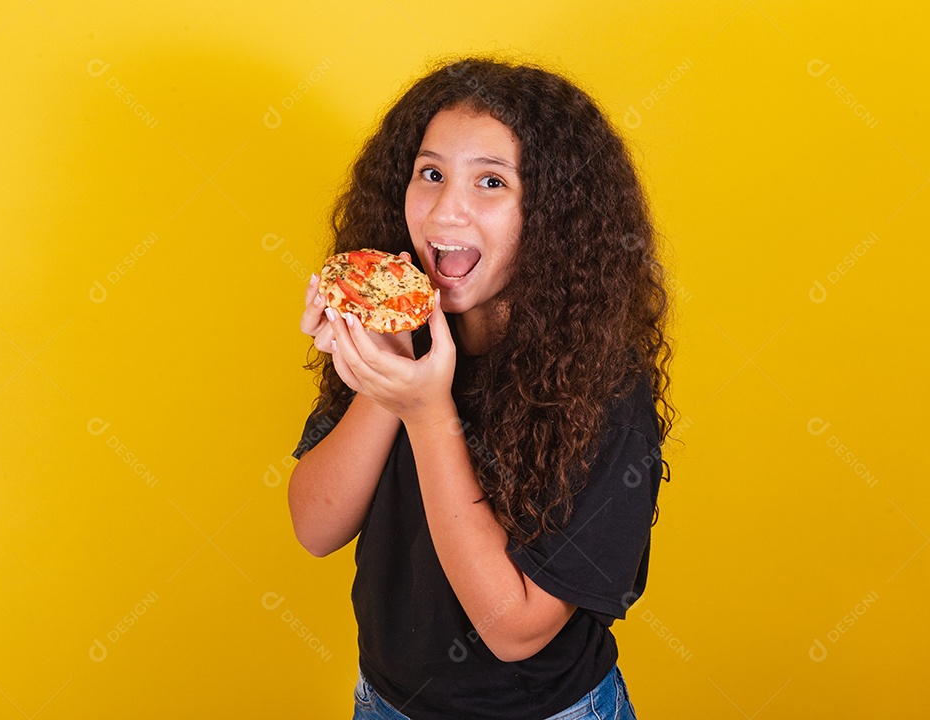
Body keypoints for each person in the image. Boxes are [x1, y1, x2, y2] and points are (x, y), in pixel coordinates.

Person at [288, 56, 677, 720]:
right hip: (383, 703)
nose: (446, 210)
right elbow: (315, 526)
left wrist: (427, 410)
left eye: (491, 182)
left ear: (556, 212)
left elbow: (515, 627)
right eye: (430, 174)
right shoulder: (402, 330)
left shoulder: (609, 392)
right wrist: (385, 370)